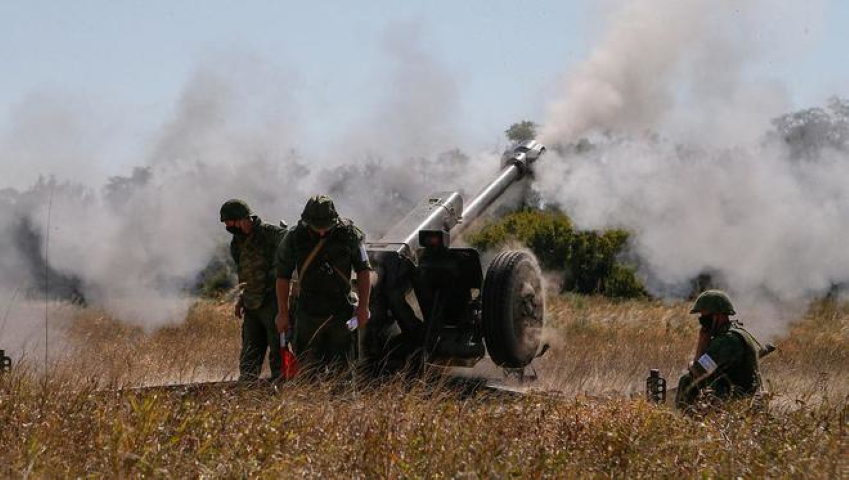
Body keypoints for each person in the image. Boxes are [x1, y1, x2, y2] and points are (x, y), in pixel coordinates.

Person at [275, 195, 371, 372]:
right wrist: (282, 313)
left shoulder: (350, 235)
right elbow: (282, 276)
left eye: (326, 227)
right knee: (307, 371)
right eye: (316, 227)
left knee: (343, 372)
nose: (321, 232)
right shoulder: (294, 238)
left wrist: (363, 307)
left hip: (341, 311)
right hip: (307, 312)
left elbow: (364, 271)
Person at [220, 199, 287, 382]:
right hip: (251, 304)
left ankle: (282, 389)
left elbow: (290, 259)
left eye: (230, 223)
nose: (228, 227)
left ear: (242, 218)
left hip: (273, 301)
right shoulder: (237, 243)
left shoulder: (272, 234)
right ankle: (247, 391)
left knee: (278, 349)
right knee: (250, 351)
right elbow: (244, 274)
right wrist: (241, 298)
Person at [675, 290, 763, 410]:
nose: (702, 320)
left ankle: (685, 421)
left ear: (718, 315)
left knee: (687, 380)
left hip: (740, 399)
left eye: (705, 316)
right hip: (743, 394)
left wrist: (702, 340)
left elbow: (699, 371)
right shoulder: (732, 331)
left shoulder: (727, 340)